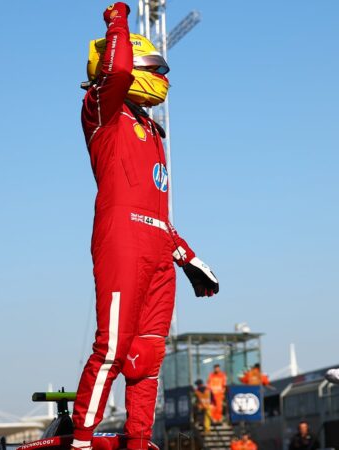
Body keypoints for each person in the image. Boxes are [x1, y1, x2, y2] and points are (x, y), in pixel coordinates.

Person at [71, 4, 220, 450]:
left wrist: (189, 258)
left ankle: (139, 441)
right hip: (122, 243)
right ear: (129, 68)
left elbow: (157, 211)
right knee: (113, 347)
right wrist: (118, 22)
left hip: (158, 252)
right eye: (155, 68)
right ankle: (81, 440)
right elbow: (114, 72)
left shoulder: (153, 132)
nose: (164, 77)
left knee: (148, 356)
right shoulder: (103, 112)